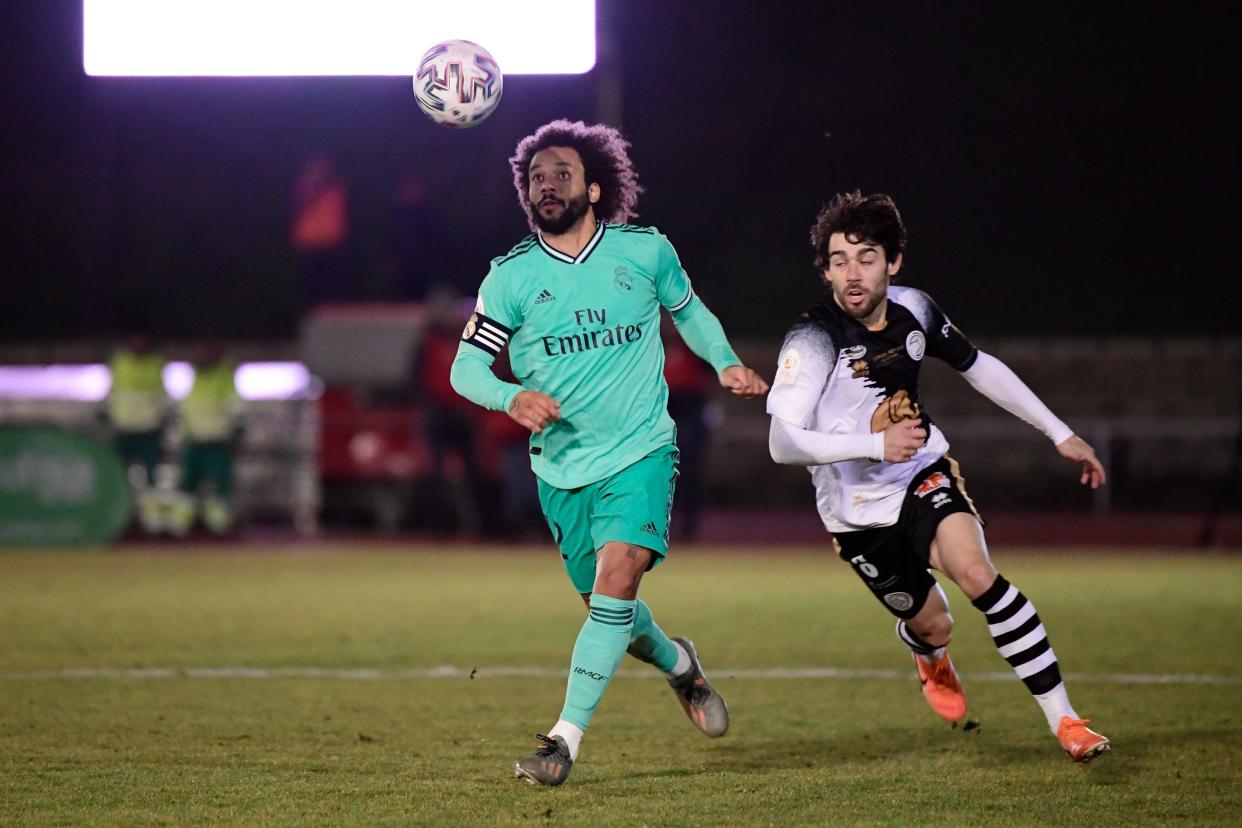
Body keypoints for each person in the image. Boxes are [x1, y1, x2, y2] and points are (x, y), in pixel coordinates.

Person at [449, 120, 769, 786]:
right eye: (536, 176)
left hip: (642, 450)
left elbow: (691, 312)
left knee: (618, 575)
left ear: (592, 187)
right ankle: (679, 663)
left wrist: (726, 362)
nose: (547, 184)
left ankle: (561, 742)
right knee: (609, 612)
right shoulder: (509, 278)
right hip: (562, 470)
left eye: (561, 173)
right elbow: (465, 370)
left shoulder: (645, 251)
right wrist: (510, 397)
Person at [766, 191, 1111, 764]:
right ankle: (927, 652)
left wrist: (1058, 432)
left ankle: (1066, 721)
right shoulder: (812, 338)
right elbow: (782, 442)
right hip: (855, 513)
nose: (852, 273)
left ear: (893, 261)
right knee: (934, 623)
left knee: (977, 574)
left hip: (921, 474)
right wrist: (875, 442)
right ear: (825, 269)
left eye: (867, 256)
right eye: (839, 260)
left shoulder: (916, 310)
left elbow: (977, 365)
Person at [169, 342, 243, 536]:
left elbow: (237, 410)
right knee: (188, 484)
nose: (205, 354)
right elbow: (186, 410)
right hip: (194, 441)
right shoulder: (193, 378)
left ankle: (219, 528)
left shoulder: (224, 377)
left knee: (220, 485)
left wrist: (236, 435)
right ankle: (180, 527)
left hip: (219, 441)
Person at [104, 325, 169, 534]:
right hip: (124, 430)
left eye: (143, 340)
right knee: (118, 477)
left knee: (151, 478)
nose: (139, 344)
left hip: (149, 431)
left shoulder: (156, 364)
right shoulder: (119, 363)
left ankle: (151, 523)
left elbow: (162, 397)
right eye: (135, 339)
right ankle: (119, 519)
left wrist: (161, 423)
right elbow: (112, 393)